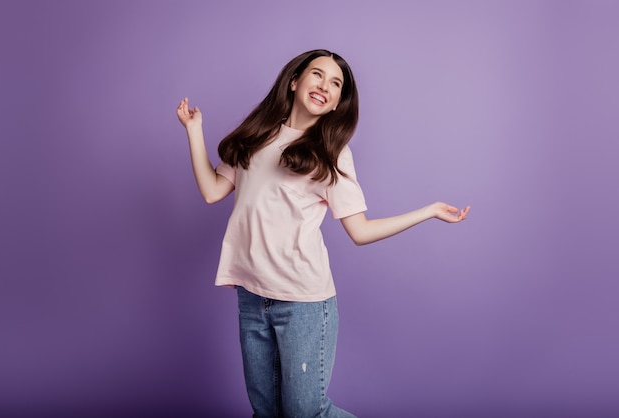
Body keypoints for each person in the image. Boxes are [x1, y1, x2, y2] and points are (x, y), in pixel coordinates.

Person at [177, 49, 470, 418]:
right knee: (266, 413)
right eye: (318, 75)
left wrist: (427, 212)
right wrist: (194, 130)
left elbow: (360, 231)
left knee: (306, 413)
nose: (325, 86)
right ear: (295, 81)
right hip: (252, 297)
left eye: (335, 84)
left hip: (303, 303)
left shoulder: (331, 153)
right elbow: (212, 190)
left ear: (336, 104)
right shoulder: (256, 136)